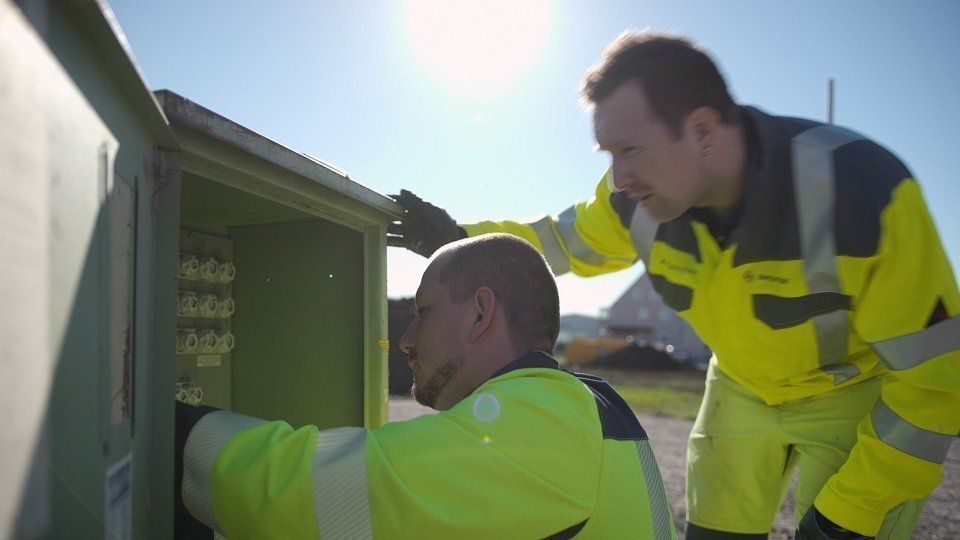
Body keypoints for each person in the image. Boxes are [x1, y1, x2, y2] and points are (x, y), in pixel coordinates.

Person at [387, 32, 960, 539]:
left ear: (703, 129)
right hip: (740, 387)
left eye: (631, 150)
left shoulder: (863, 197)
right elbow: (555, 245)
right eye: (609, 154)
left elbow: (935, 383)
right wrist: (460, 237)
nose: (618, 178)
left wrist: (851, 511)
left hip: (850, 395)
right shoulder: (634, 201)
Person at [175, 233, 676, 539]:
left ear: (481, 313)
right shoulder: (589, 403)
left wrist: (185, 433)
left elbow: (326, 496)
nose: (407, 341)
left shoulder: (546, 422)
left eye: (423, 312)